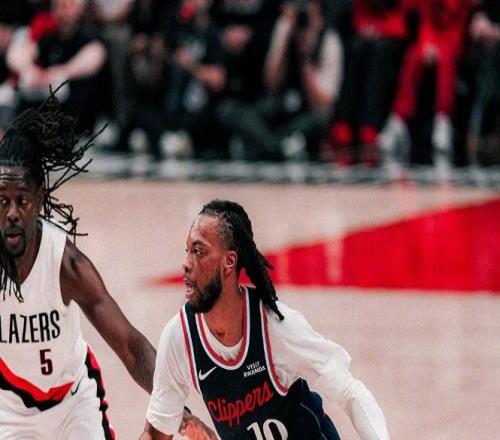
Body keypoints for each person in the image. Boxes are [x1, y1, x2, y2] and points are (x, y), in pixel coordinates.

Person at [0, 92, 214, 439]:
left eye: (21, 200)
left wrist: (180, 413)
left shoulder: (66, 265)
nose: (11, 213)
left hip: (73, 403)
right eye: (2, 201)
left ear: (39, 199)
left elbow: (131, 346)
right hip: (10, 407)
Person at [140, 200, 391, 439]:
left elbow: (350, 393)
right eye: (187, 251)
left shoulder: (276, 327)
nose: (186, 264)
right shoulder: (179, 337)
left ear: (229, 261)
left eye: (199, 251)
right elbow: (156, 432)